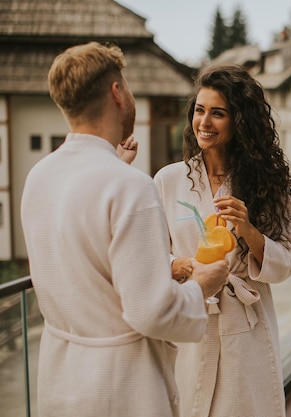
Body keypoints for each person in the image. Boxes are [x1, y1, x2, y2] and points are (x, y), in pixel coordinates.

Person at [20, 42, 229, 417]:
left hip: (59, 376)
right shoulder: (131, 186)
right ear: (117, 93)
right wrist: (203, 286)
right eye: (128, 85)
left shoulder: (39, 177)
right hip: (121, 386)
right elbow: (152, 312)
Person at [153, 65, 291, 417]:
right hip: (191, 312)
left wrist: (248, 230)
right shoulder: (169, 180)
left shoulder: (270, 185)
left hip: (244, 323)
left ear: (240, 121)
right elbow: (151, 253)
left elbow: (288, 261)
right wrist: (180, 265)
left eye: (218, 113)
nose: (204, 122)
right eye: (199, 110)